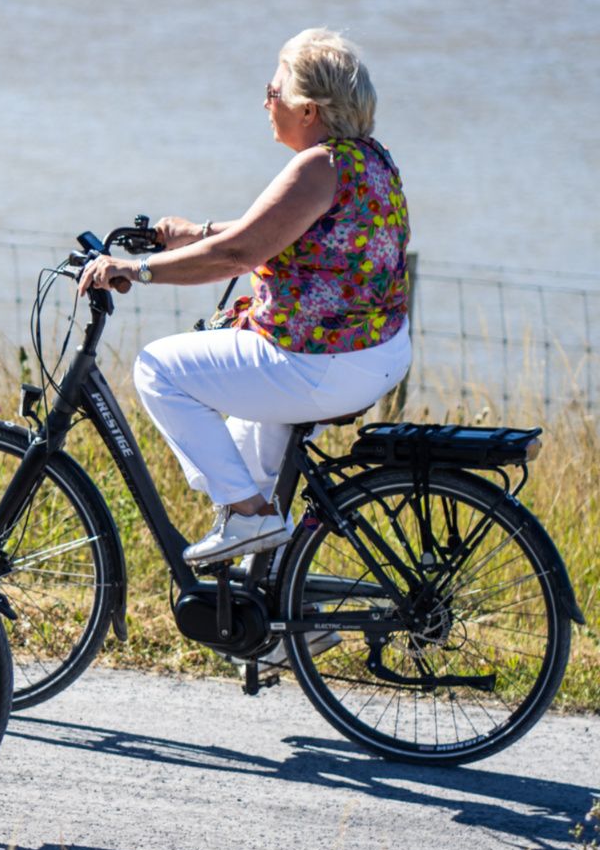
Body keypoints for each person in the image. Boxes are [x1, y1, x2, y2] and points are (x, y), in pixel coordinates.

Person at [78, 28, 412, 566]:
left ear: (308, 109)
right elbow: (279, 229)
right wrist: (197, 232)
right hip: (375, 353)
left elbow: (237, 255)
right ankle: (276, 602)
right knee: (247, 460)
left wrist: (133, 269)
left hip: (318, 363)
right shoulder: (370, 159)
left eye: (273, 92)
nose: (265, 103)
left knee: (157, 369)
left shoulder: (317, 166)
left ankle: (247, 516)